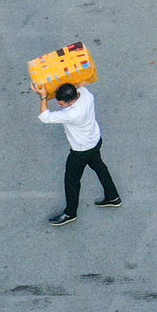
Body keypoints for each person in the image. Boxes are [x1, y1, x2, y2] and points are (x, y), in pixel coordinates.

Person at [38, 82, 120, 226]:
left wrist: (43, 97)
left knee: (71, 180)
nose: (59, 106)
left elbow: (45, 117)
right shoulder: (86, 94)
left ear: (69, 103)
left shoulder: (72, 114)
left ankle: (70, 212)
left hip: (81, 150)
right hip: (94, 139)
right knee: (99, 167)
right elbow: (80, 83)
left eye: (61, 104)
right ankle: (112, 196)